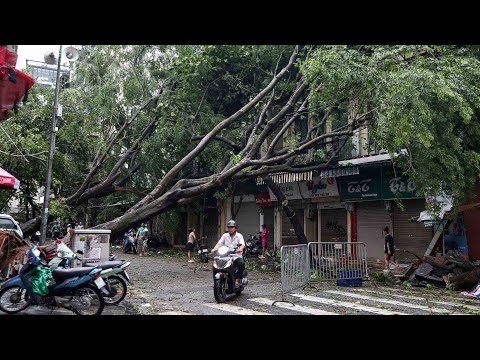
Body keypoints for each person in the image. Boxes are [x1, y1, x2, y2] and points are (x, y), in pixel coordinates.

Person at [211, 220, 245, 288]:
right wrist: (214, 249)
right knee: (215, 265)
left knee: (241, 263)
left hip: (236, 256)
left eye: (232, 227)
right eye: (229, 227)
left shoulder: (239, 236)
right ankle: (216, 282)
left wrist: (240, 249)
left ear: (235, 228)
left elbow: (242, 245)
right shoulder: (225, 235)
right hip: (226, 256)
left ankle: (237, 280)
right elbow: (219, 243)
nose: (230, 229)